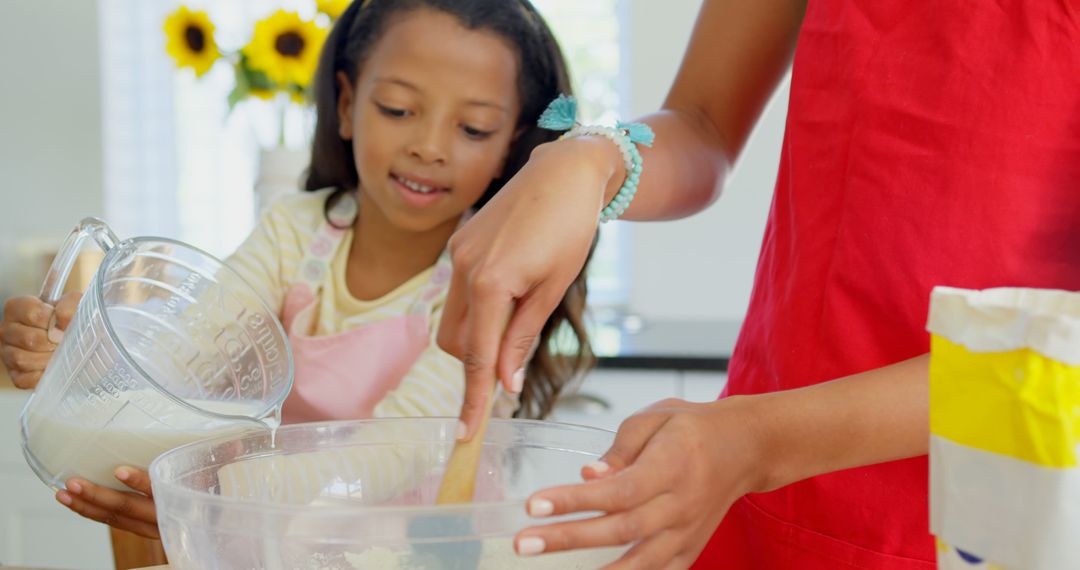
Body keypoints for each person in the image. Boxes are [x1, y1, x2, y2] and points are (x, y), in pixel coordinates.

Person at [437, 0, 1080, 567]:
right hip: (750, 486)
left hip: (1000, 516)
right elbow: (705, 120)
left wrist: (760, 439)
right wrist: (594, 159)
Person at [0, 0, 592, 541]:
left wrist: (213, 493)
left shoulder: (493, 277)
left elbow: (397, 453)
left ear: (510, 145)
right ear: (346, 105)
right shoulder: (294, 233)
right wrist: (90, 357)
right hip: (278, 541)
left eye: (472, 129)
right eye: (399, 109)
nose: (429, 146)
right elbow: (191, 345)